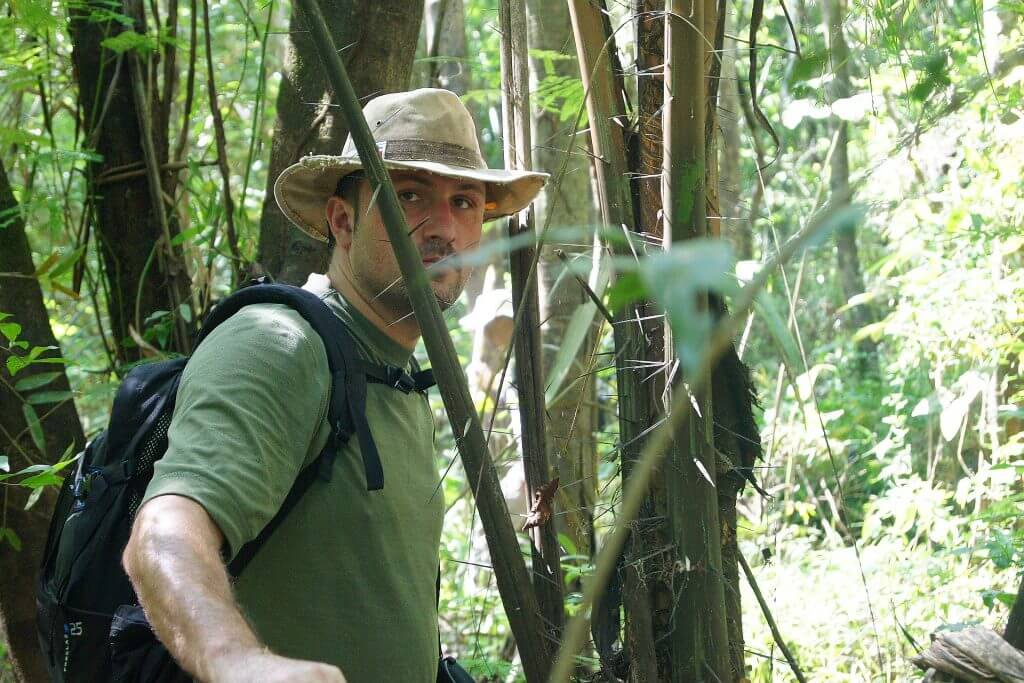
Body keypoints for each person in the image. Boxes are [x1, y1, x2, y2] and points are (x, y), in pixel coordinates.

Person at [121, 88, 547, 683]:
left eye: (465, 201)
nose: (444, 228)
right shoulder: (279, 345)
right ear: (343, 221)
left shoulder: (396, 376)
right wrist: (237, 663)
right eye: (409, 196)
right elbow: (165, 532)